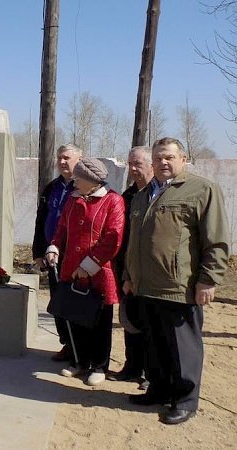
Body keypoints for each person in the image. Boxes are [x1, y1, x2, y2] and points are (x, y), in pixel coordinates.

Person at [123, 137, 229, 425]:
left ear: (183, 159)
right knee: (155, 344)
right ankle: (159, 389)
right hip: (146, 286)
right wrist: (130, 276)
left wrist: (208, 280)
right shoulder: (143, 194)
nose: (162, 163)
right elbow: (134, 242)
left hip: (179, 288)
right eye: (157, 158)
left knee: (184, 348)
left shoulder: (201, 190)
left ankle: (185, 399)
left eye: (169, 157)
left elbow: (216, 241)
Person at [45, 157, 124, 386]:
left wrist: (89, 266)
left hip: (98, 271)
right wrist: (54, 247)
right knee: (75, 315)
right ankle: (80, 361)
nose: (74, 180)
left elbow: (113, 238)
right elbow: (61, 229)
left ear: (91, 180)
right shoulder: (73, 199)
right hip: (71, 268)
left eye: (78, 177)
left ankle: (99, 365)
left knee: (99, 320)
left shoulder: (113, 201)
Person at [107, 146, 153, 389]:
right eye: (131, 164)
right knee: (129, 320)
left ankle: (148, 373)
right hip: (127, 270)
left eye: (138, 164)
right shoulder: (127, 196)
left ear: (151, 166)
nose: (133, 169)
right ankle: (132, 367)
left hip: (151, 274)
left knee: (149, 324)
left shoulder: (158, 194)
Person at [32, 143, 81, 362]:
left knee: (75, 303)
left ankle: (79, 347)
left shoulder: (84, 187)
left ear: (79, 159)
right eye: (59, 158)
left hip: (75, 257)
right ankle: (66, 344)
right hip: (52, 257)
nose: (62, 162)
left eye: (67, 158)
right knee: (58, 301)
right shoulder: (52, 187)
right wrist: (38, 252)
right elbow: (41, 220)